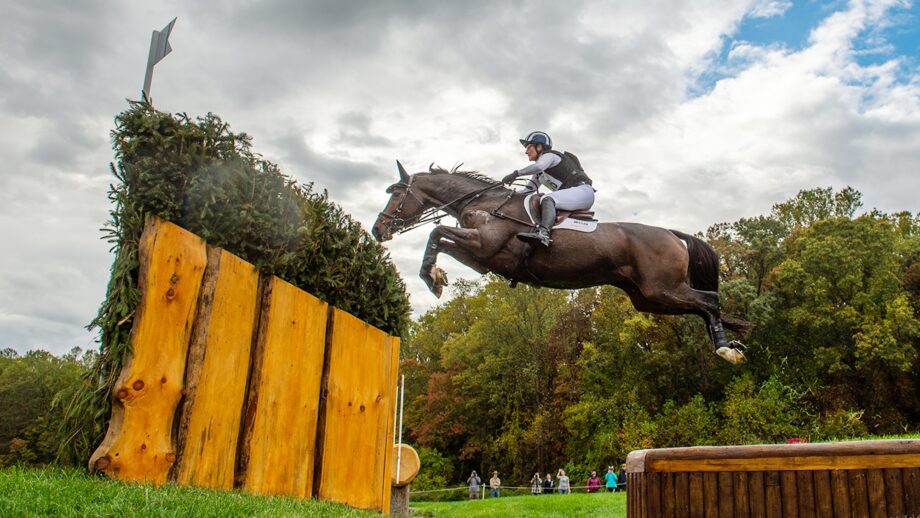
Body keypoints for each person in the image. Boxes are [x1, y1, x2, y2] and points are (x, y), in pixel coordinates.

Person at [501, 131, 595, 248]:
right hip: (574, 195)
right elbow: (528, 190)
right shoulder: (540, 173)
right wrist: (505, 194)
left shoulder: (551, 156)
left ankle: (543, 234)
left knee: (547, 198)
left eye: (528, 147)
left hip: (583, 191)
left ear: (539, 146)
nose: (526, 152)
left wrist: (515, 174)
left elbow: (538, 166)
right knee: (544, 200)